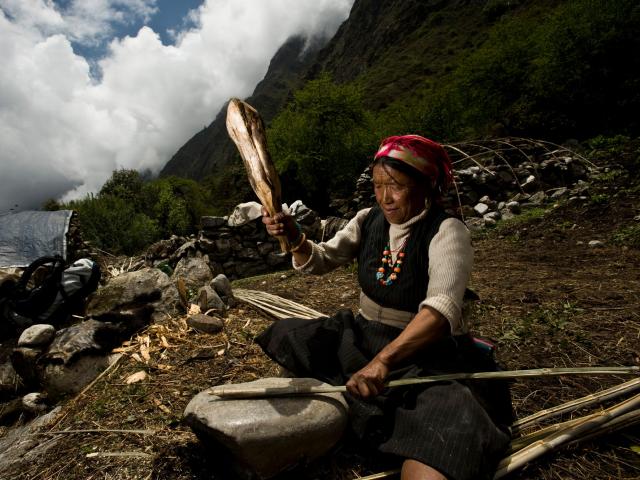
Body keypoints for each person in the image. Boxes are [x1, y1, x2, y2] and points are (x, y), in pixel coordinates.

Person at [257, 135, 512, 480]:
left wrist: (383, 362)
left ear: (427, 185)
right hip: (364, 337)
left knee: (449, 421)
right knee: (293, 335)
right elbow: (322, 258)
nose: (385, 198)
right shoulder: (367, 219)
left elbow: (440, 311)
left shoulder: (447, 231)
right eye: (378, 185)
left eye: (397, 186)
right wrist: (295, 237)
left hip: (424, 354)